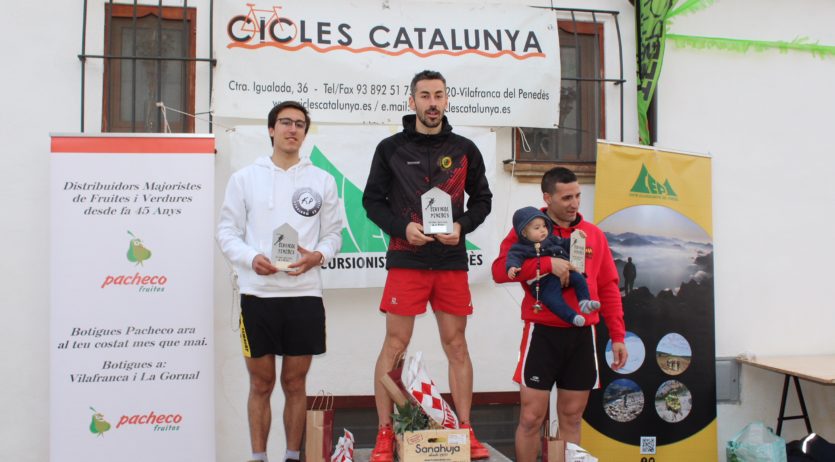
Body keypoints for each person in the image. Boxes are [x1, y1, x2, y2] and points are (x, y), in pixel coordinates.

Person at [362, 70, 493, 462]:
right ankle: (386, 433)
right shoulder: (390, 148)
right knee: (395, 345)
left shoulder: (466, 148)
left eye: (438, 95)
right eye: (424, 95)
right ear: (412, 101)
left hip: (451, 261)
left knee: (456, 344)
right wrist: (402, 227)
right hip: (407, 259)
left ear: (447, 100)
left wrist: (462, 225)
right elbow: (372, 201)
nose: (432, 102)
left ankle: (466, 430)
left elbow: (482, 200)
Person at [217, 101, 342, 462]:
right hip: (257, 295)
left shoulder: (322, 180)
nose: (292, 129)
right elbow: (226, 231)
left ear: (305, 132)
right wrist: (250, 258)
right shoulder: (244, 178)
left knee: (294, 383)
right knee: (261, 383)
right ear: (271, 130)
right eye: (285, 123)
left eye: (300, 124)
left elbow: (333, 235)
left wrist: (318, 256)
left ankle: (291, 456)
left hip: (304, 295)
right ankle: (258, 457)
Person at [491, 167, 627, 462]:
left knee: (571, 418)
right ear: (547, 198)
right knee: (531, 417)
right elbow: (499, 271)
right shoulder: (528, 229)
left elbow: (609, 287)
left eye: (577, 195)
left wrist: (617, 335)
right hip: (542, 332)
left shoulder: (593, 235)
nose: (574, 203)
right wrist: (546, 265)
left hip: (582, 336)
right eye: (566, 197)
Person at [505, 206, 600, 327]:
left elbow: (564, 243)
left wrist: (576, 238)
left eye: (544, 226)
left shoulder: (551, 238)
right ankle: (572, 317)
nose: (543, 230)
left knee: (579, 279)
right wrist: (512, 267)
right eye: (537, 228)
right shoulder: (519, 247)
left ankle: (584, 302)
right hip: (543, 282)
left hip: (565, 273)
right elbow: (513, 257)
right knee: (554, 301)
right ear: (524, 232)